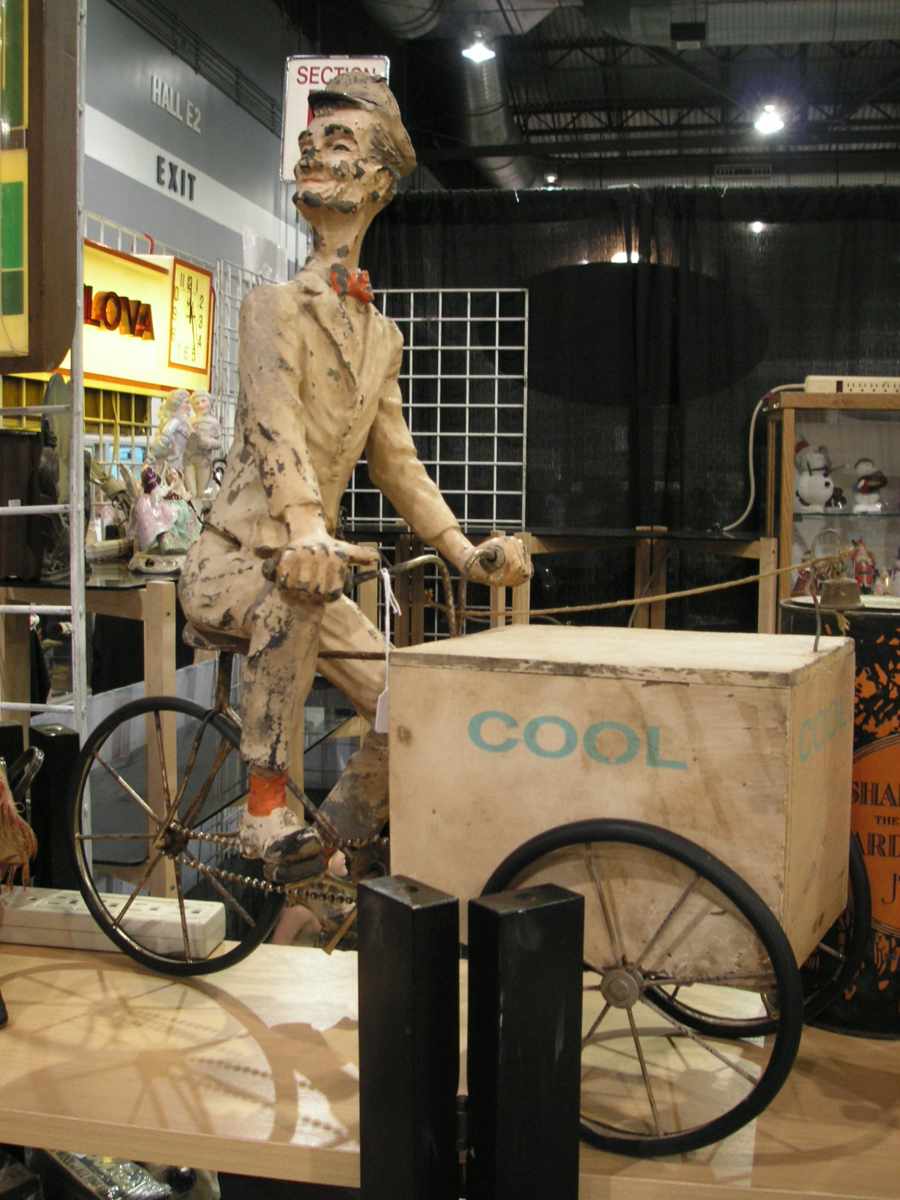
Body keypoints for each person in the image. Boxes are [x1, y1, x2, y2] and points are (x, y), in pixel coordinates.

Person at [179, 70, 530, 872]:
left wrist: (463, 550)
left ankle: (331, 848)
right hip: (234, 561)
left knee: (410, 702)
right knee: (294, 596)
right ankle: (264, 808)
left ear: (378, 183)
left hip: (308, 575)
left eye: (338, 144)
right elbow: (276, 430)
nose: (314, 155)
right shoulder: (271, 306)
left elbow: (396, 462)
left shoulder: (383, 337)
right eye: (310, 143)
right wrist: (307, 528)